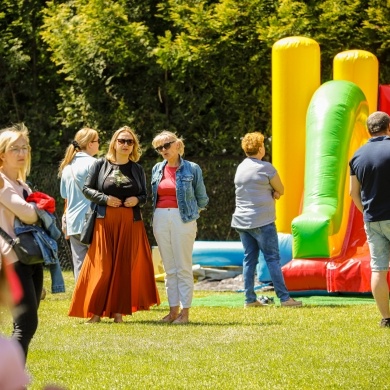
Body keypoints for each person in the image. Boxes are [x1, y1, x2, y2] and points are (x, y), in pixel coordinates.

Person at [68, 126, 160, 323]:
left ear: (133, 145)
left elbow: (144, 195)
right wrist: (104, 198)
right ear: (114, 143)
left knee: (123, 268)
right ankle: (94, 314)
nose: (126, 144)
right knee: (102, 267)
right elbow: (86, 189)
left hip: (130, 224)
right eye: (122, 141)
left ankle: (119, 313)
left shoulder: (136, 168)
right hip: (104, 221)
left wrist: (137, 199)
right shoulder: (100, 164)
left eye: (130, 142)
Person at [231, 132, 302, 308]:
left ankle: (249, 299)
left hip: (242, 221)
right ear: (260, 148)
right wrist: (274, 192)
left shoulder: (240, 167)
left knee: (249, 259)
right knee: (272, 259)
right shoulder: (266, 168)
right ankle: (285, 298)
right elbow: (281, 189)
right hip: (262, 221)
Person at [151, 131, 209, 324]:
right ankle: (172, 311)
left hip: (183, 219)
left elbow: (202, 198)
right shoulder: (157, 169)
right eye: (159, 148)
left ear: (177, 145)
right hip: (160, 217)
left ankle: (185, 313)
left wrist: (193, 216)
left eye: (166, 145)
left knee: (183, 266)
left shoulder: (192, 168)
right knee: (169, 268)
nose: (163, 150)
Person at [0, 124, 44, 360]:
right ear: (2, 153)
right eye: (14, 148)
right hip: (12, 260)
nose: (21, 153)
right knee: (25, 326)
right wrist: (41, 209)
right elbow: (28, 214)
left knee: (25, 327)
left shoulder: (21, 184)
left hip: (30, 258)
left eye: (24, 148)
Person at [349, 111, 390, 328]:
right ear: (388, 127)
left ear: (368, 130)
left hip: (373, 219)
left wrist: (366, 213)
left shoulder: (357, 156)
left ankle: (386, 318)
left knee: (379, 269)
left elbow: (353, 193)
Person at [59, 128, 100, 280]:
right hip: (92, 221)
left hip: (73, 222)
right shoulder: (95, 163)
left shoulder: (67, 167)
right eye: (97, 141)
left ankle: (81, 302)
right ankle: (96, 301)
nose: (99, 145)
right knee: (98, 265)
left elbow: (65, 196)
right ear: (90, 144)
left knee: (80, 267)